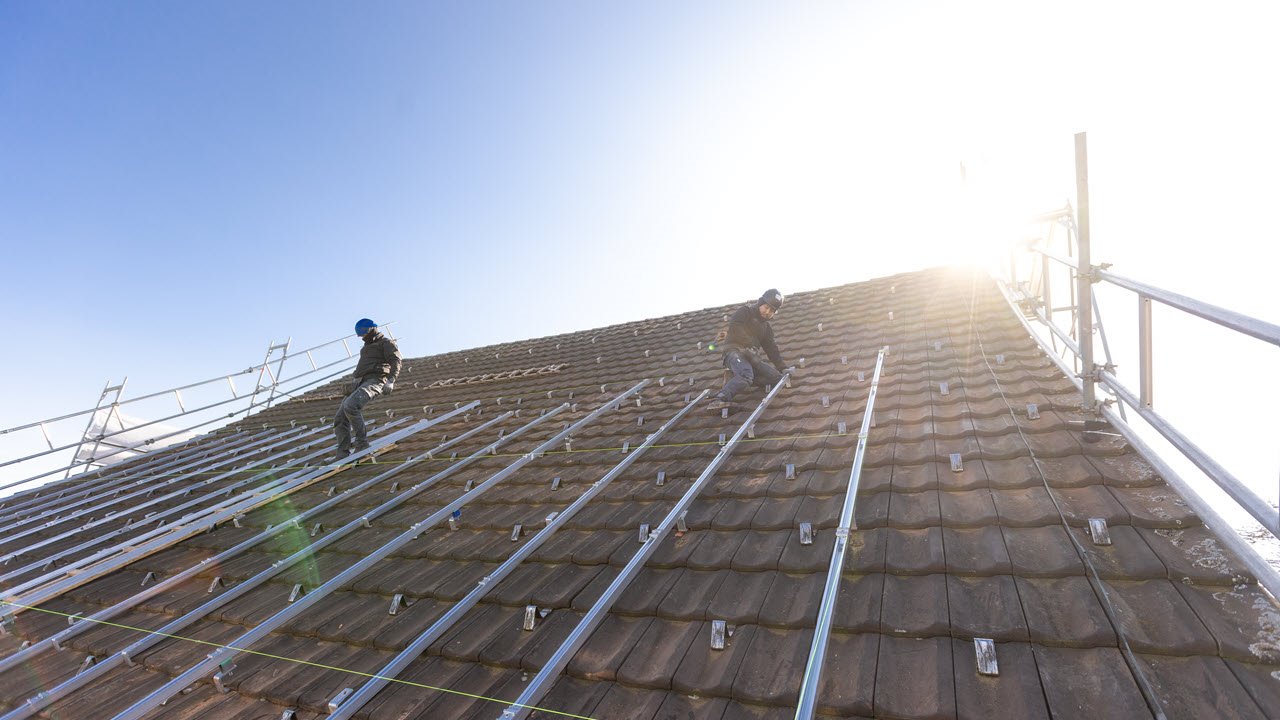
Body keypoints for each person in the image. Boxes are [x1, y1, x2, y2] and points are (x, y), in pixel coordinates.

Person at [708, 289, 791, 411]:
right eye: (766, 307)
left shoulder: (766, 328)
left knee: (777, 378)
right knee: (745, 374)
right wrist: (750, 343)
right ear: (760, 302)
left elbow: (771, 348)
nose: (768, 312)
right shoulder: (745, 312)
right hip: (733, 352)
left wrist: (782, 367)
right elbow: (735, 327)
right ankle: (720, 399)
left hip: (750, 358)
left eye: (772, 310)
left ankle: (737, 378)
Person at [334, 318, 401, 461]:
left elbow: (396, 360)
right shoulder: (366, 347)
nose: (362, 337)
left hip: (375, 381)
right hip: (359, 382)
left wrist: (391, 380)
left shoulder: (386, 343)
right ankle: (342, 453)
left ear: (370, 330)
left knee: (351, 405)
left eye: (363, 334)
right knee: (340, 418)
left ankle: (362, 445)